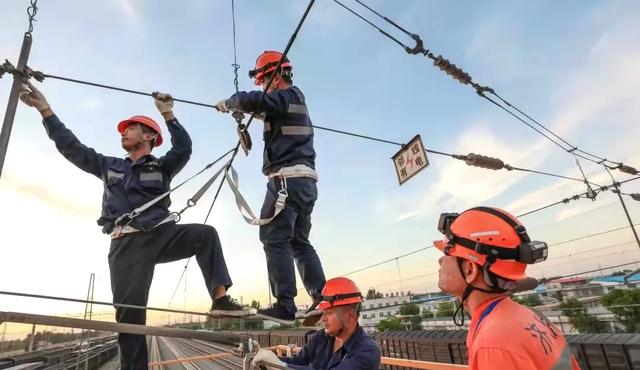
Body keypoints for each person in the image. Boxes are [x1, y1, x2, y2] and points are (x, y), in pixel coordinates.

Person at [19, 82, 250, 370]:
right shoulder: (109, 165)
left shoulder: (162, 167)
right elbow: (71, 147)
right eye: (123, 129)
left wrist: (168, 114)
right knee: (129, 320)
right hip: (124, 245)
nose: (123, 132)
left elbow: (184, 148)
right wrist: (45, 110)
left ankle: (220, 301)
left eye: (130, 128)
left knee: (205, 235)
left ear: (149, 136)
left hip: (158, 235)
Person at [215, 50, 326, 323]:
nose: (263, 86)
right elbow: (262, 108)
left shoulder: (287, 97)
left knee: (274, 238)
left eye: (264, 80)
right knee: (299, 242)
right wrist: (240, 112)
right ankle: (322, 299)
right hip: (305, 182)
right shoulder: (292, 102)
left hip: (286, 180)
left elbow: (248, 99)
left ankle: (285, 306)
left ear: (275, 77)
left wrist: (231, 103)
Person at [434, 206, 580, 370]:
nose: (440, 261)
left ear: (469, 270)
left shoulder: (493, 343)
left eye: (447, 253)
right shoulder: (529, 316)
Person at [251, 277, 381, 369]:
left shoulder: (366, 352)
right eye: (323, 312)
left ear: (350, 314)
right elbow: (298, 361)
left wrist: (282, 367)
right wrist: (264, 356)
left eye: (329, 313)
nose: (323, 318)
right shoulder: (321, 337)